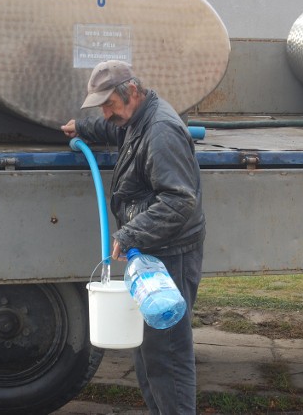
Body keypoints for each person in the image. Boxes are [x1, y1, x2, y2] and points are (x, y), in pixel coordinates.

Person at [61, 60, 205, 414]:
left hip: (169, 253)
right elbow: (118, 132)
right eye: (102, 107)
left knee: (166, 356)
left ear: (133, 92)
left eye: (109, 104)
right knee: (147, 352)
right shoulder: (137, 118)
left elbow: (179, 200)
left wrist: (130, 232)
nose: (106, 113)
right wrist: (84, 127)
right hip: (153, 249)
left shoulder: (161, 132)